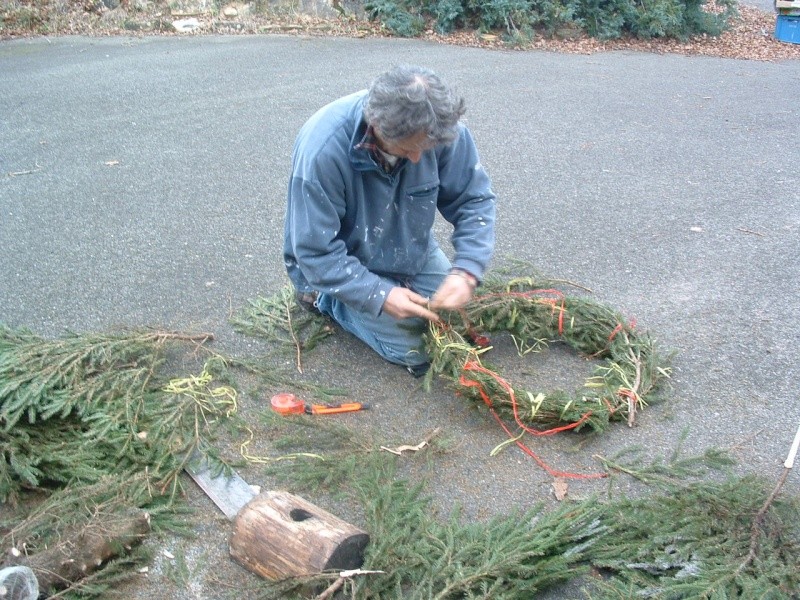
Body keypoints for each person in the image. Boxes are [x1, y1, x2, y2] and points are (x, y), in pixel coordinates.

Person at [283, 65, 496, 376]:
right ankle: (324, 300)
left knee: (461, 324)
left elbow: (474, 200)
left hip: (408, 248)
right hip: (340, 264)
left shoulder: (441, 129)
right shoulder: (323, 151)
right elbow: (316, 253)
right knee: (418, 351)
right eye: (409, 149)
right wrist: (379, 294)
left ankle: (396, 283)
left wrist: (467, 270)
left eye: (427, 149)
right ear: (378, 126)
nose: (417, 160)